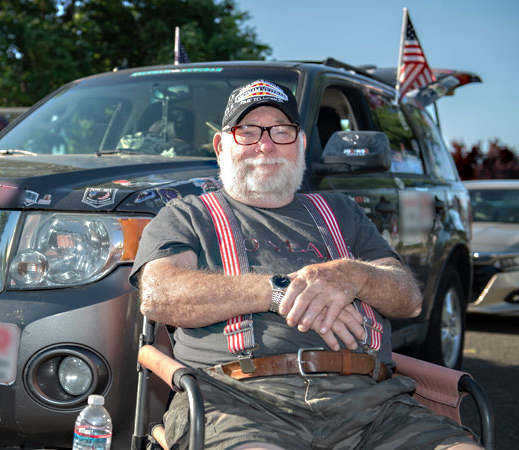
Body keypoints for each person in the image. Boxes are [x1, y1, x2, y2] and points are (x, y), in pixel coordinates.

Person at [130, 79, 481, 450]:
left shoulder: (342, 212)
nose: (265, 145)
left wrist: (352, 275)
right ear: (221, 146)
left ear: (300, 144)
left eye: (282, 131)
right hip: (237, 403)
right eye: (247, 132)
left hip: (374, 406)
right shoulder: (187, 215)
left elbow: (408, 298)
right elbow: (159, 295)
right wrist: (279, 291)